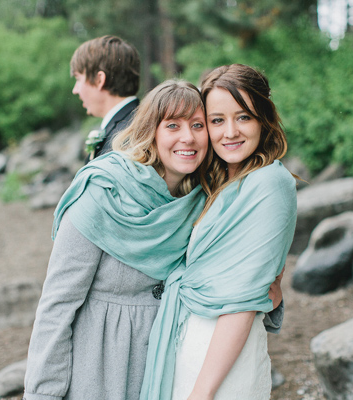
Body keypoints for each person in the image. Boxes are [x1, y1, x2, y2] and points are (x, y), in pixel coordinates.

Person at [23, 79, 209, 400]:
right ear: (152, 130)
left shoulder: (202, 199)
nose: (188, 137)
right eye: (173, 125)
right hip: (99, 368)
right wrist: (43, 393)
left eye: (198, 125)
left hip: (169, 365)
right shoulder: (103, 191)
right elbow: (58, 303)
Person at [140, 64, 298, 400]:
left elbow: (242, 299)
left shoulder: (269, 183)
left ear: (263, 120)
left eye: (243, 117)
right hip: (188, 343)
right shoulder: (217, 184)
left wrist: (203, 392)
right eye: (216, 120)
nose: (230, 132)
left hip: (224, 362)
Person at [70, 35, 141, 162]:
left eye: (78, 79)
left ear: (99, 80)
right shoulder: (139, 120)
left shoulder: (124, 137)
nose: (75, 90)